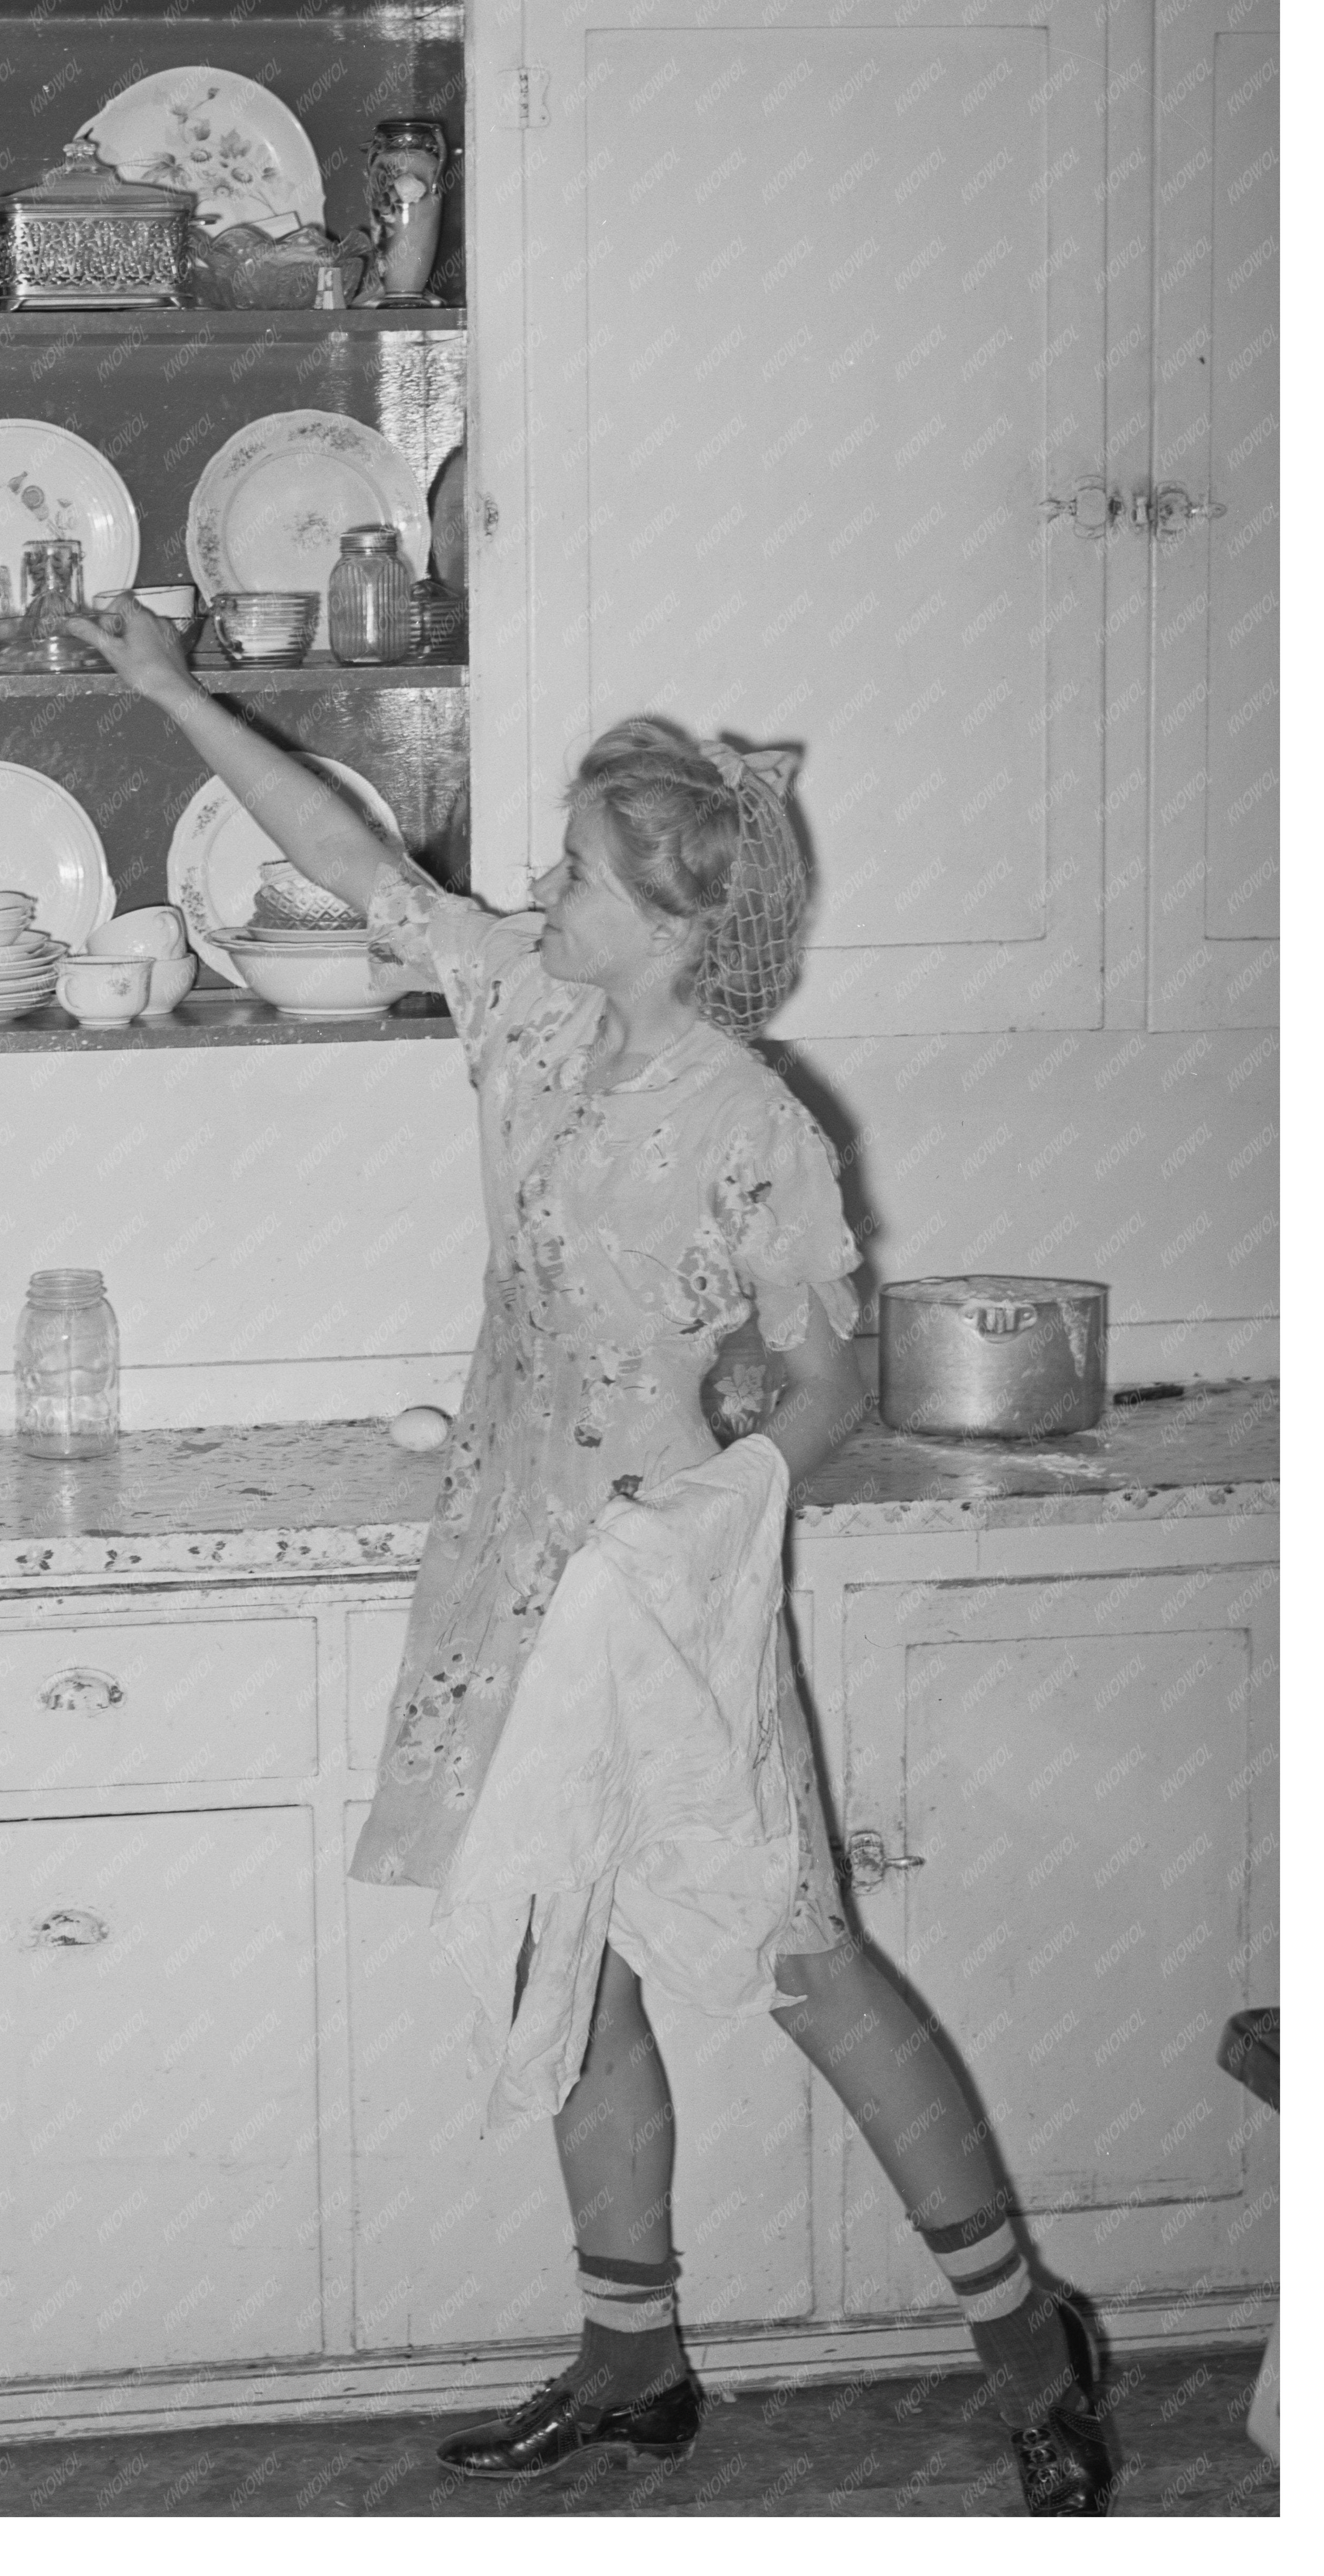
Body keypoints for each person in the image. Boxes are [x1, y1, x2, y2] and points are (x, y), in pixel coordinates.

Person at [67, 595, 1115, 2519]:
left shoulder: (756, 1126)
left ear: (668, 923)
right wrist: (165, 690)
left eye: (571, 872)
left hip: (662, 1581)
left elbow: (830, 1379)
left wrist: (713, 1511)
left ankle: (1025, 2339)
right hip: (507, 1563)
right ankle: (633, 2359)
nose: (538, 888)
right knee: (559, 1947)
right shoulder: (522, 1010)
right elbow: (352, 861)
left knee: (799, 1961)